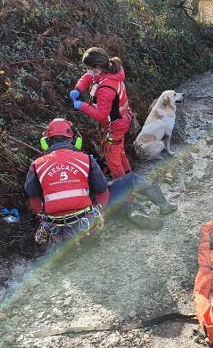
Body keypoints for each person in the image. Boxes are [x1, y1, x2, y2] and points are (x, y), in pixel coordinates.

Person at [25, 119, 178, 245]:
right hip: (87, 225)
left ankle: (133, 210)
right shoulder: (86, 160)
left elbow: (32, 196)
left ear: (45, 143)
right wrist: (98, 212)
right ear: (75, 140)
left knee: (108, 201)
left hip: (58, 231)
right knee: (130, 180)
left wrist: (46, 221)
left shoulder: (37, 165)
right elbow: (102, 189)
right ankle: (162, 206)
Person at [70, 47, 132, 179]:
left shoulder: (106, 88)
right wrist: (79, 89)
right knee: (119, 152)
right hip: (121, 122)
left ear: (97, 67)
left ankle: (126, 190)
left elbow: (100, 115)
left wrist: (81, 105)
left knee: (113, 161)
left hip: (115, 127)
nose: (87, 71)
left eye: (89, 67)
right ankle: (130, 177)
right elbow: (88, 77)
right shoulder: (109, 71)